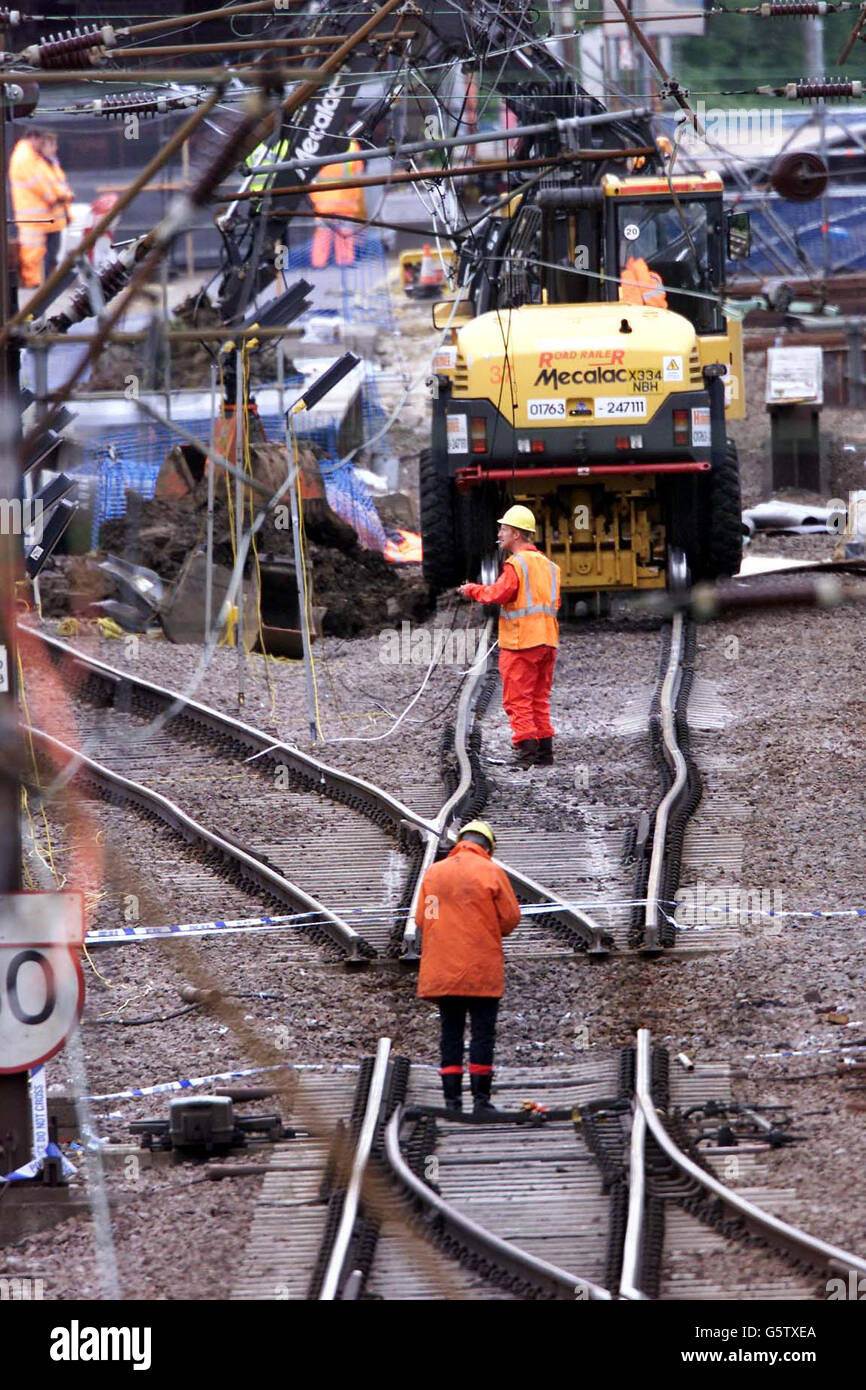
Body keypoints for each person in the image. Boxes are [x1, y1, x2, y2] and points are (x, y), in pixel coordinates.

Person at [415, 820, 520, 1115]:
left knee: (450, 1033)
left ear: (460, 841)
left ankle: (451, 1102)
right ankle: (481, 1101)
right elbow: (510, 919)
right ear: (487, 847)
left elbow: (426, 919)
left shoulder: (435, 874)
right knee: (482, 1034)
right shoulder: (491, 872)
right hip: (481, 970)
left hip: (444, 970)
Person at [459, 504, 561, 768]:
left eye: (504, 529)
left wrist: (471, 590)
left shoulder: (516, 564)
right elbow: (554, 603)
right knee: (539, 698)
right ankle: (544, 754)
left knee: (518, 700)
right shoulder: (549, 566)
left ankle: (526, 755)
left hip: (521, 644)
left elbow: (497, 594)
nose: (500, 534)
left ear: (517, 534)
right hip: (548, 641)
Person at [9, 128, 73, 297]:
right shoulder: (25, 157)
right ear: (33, 138)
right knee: (34, 253)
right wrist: (53, 197)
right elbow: (36, 183)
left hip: (42, 217)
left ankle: (41, 285)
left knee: (44, 254)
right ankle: (34, 286)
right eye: (42, 141)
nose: (43, 145)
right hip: (34, 217)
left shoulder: (33, 157)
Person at [308, 140, 367, 269]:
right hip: (345, 200)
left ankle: (318, 263)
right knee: (344, 232)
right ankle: (345, 261)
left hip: (323, 200)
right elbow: (358, 173)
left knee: (323, 232)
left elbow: (311, 173)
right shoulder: (353, 146)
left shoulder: (319, 143)